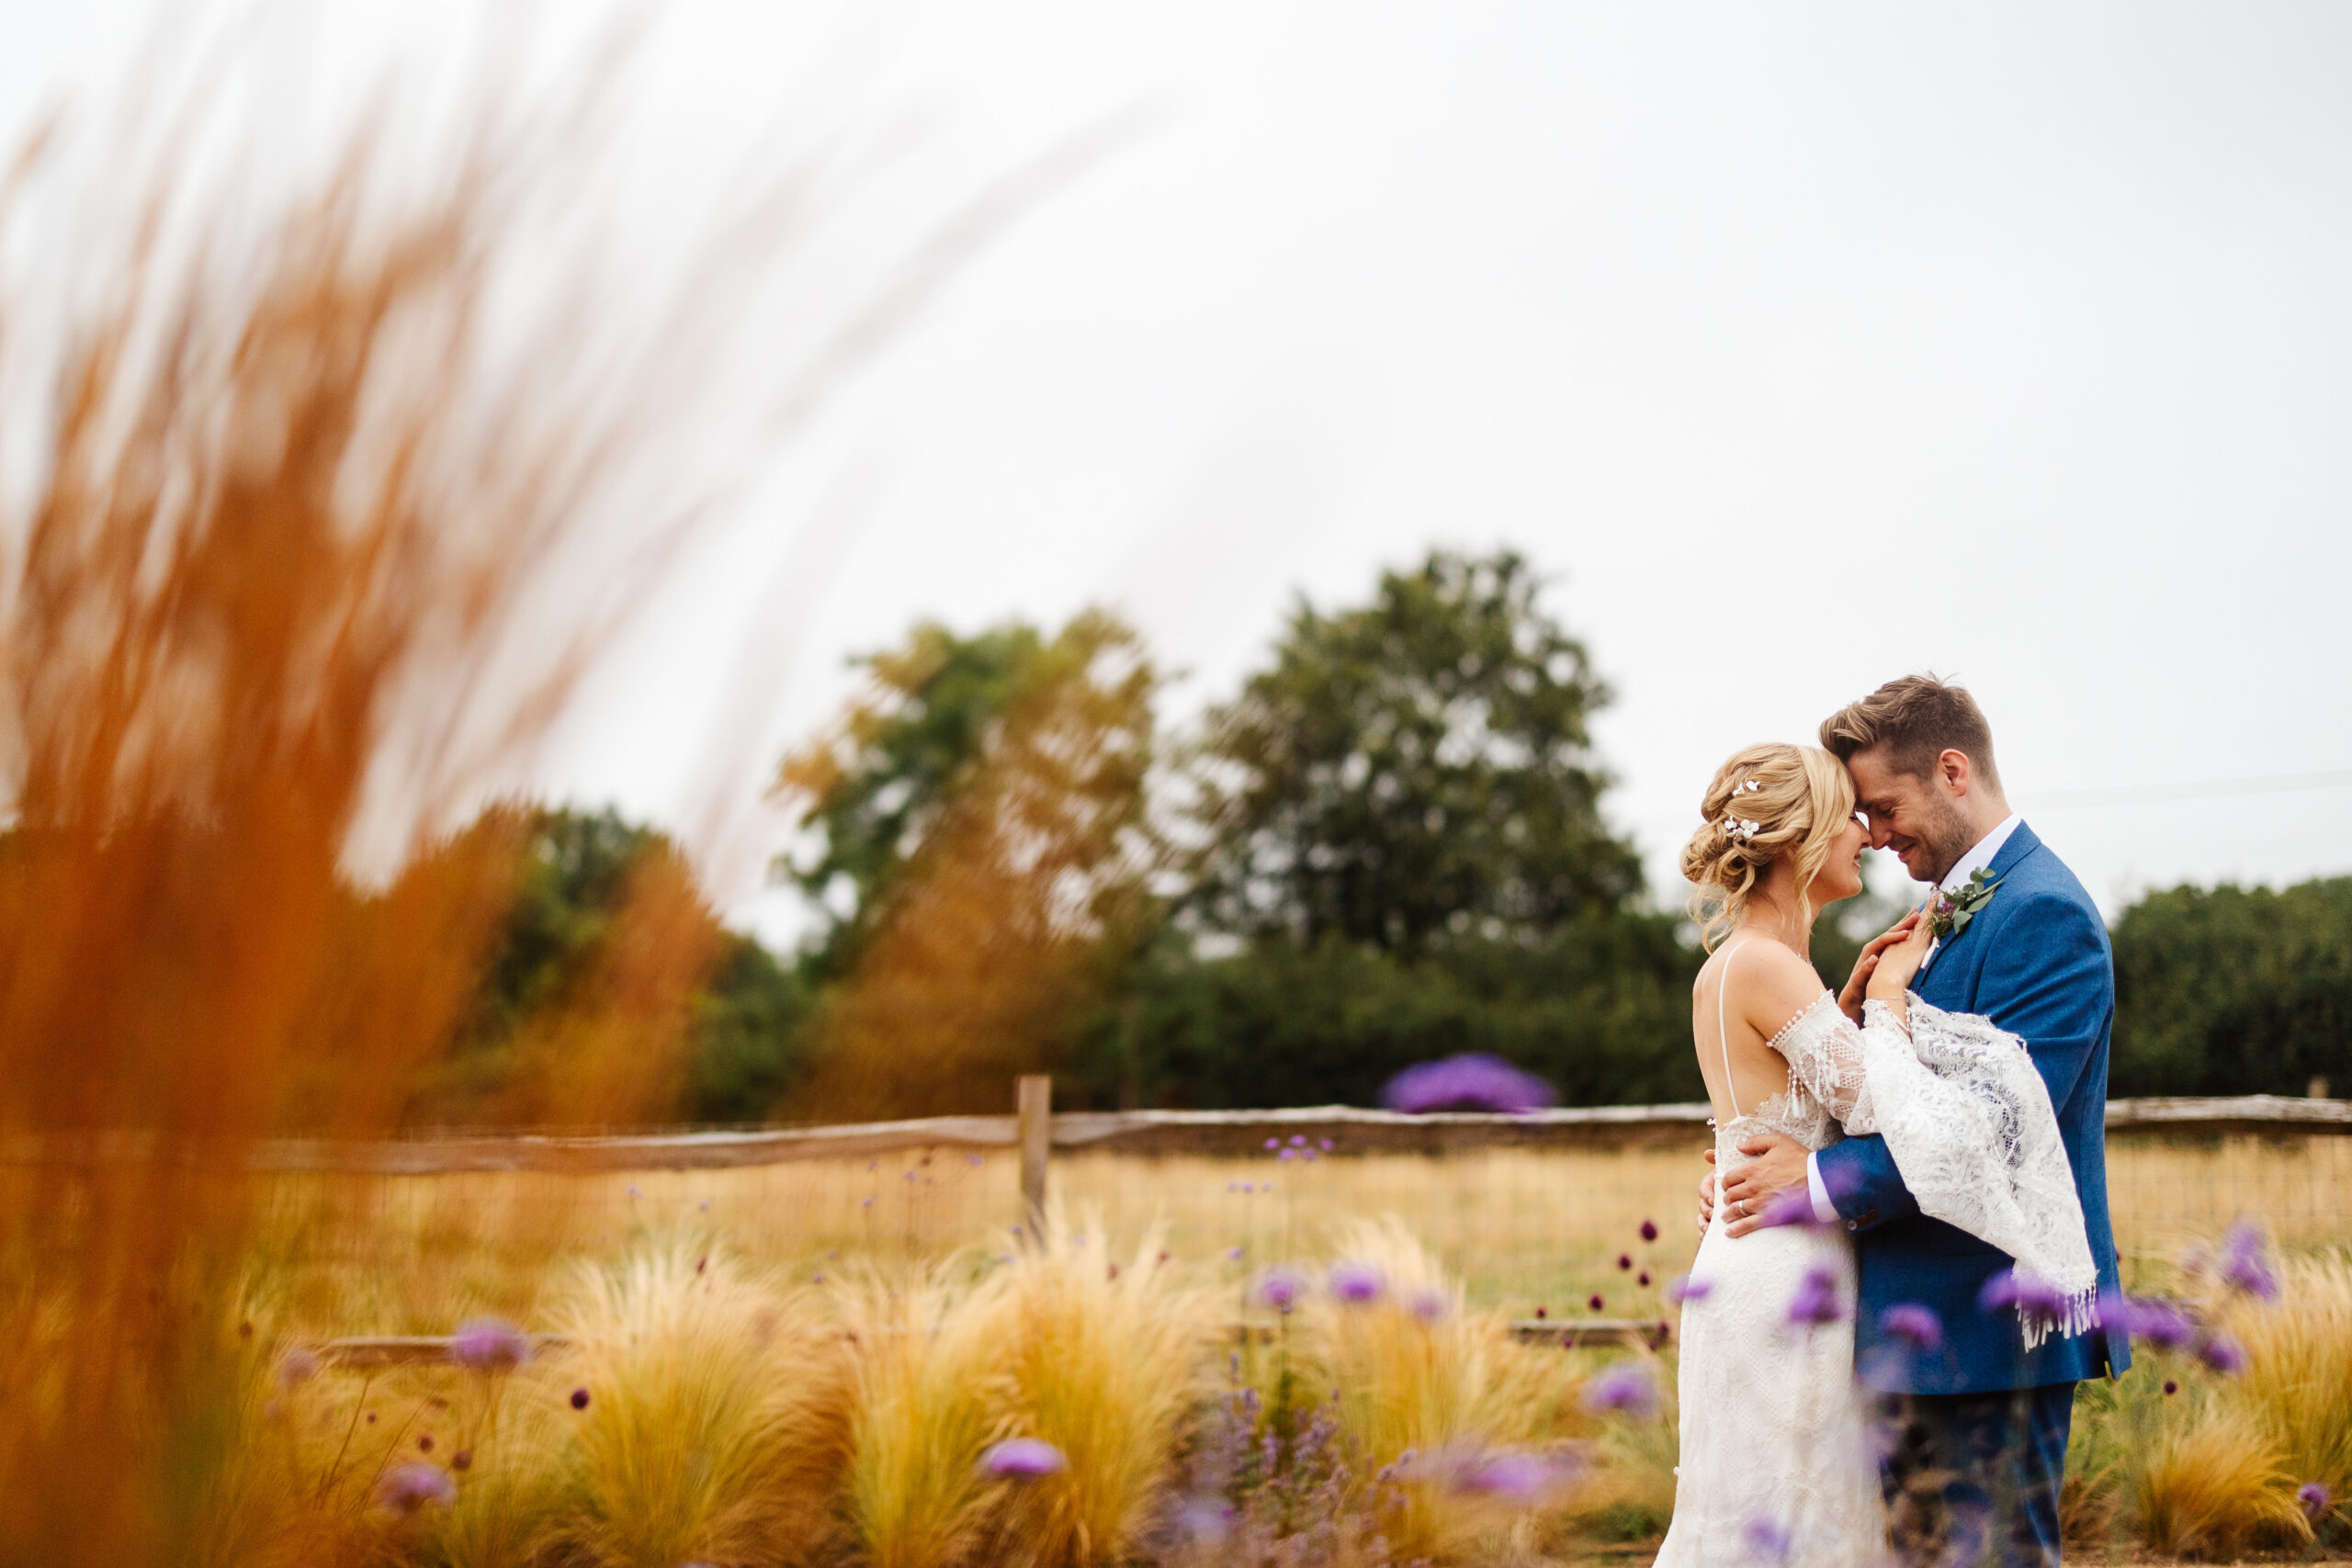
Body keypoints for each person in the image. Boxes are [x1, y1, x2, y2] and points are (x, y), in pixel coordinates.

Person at [1664, 688, 2116, 1567]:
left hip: (1984, 1325)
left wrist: (1812, 1175)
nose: (1872, 833)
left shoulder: (2043, 912)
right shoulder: (1907, 923)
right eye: (1856, 816)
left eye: (1883, 809)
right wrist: (1870, 1016)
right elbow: (1890, 1101)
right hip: (1881, 1311)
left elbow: (1984, 1131)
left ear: (1952, 772)